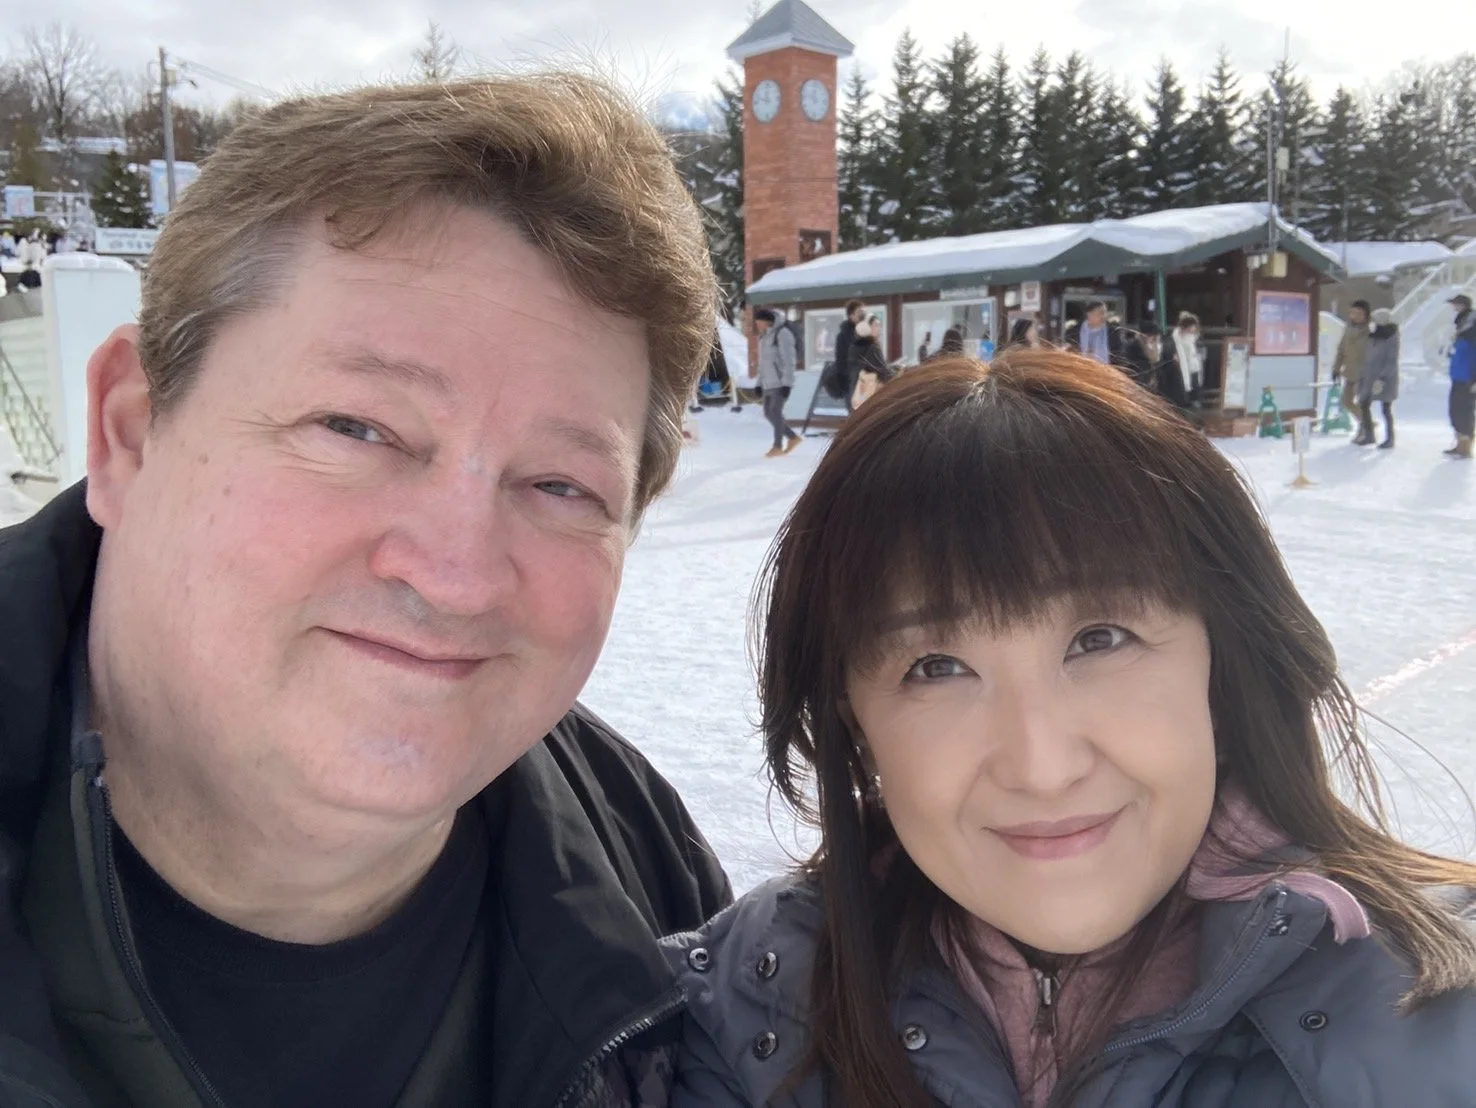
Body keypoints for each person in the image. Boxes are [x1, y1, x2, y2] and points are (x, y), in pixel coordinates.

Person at [0, 74, 733, 1108]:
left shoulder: (650, 889)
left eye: (561, 485)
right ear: (131, 429)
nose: (455, 572)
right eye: (358, 429)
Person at [664, 351, 1476, 1108]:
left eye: (1100, 640)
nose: (1042, 765)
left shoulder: (1445, 1023)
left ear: (1221, 661)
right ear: (852, 719)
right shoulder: (739, 1017)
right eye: (937, 666)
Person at [755, 308, 801, 457]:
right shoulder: (764, 338)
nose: (757, 325)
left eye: (759, 322)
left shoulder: (783, 334)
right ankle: (793, 437)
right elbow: (762, 364)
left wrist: (787, 383)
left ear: (766, 320)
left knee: (775, 412)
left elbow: (789, 360)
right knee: (768, 414)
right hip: (768, 382)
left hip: (780, 382)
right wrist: (758, 383)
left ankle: (777, 446)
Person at [1356, 308, 1400, 449]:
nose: (1373, 322)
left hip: (1384, 378)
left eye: (1375, 319)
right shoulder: (1373, 335)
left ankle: (1390, 438)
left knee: (1386, 408)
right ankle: (1369, 435)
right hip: (1369, 375)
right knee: (1364, 404)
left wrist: (1382, 378)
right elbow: (1367, 355)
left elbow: (1391, 360)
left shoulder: (1392, 336)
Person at [1446, 294, 1475, 459]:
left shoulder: (1472, 331)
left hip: (1468, 377)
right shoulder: (1461, 329)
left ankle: (1466, 446)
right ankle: (1459, 443)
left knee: (1465, 411)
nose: (1454, 309)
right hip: (1458, 375)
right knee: (1455, 411)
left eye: (1455, 305)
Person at [1333, 300, 1371, 423]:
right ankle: (1366, 423)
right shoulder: (1348, 329)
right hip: (1350, 371)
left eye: (1359, 313)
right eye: (1353, 313)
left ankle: (1365, 428)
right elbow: (1341, 350)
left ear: (1365, 315)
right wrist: (1336, 369)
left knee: (1362, 402)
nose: (1355, 316)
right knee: (1346, 401)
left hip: (1365, 373)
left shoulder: (1371, 330)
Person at [848, 316, 893, 409]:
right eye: (875, 325)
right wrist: (898, 371)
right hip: (870, 394)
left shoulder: (855, 346)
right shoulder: (872, 347)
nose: (879, 328)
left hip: (857, 391)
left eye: (879, 325)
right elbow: (884, 373)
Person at [1067, 300, 1125, 368]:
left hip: (1106, 373)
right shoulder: (1073, 332)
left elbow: (1119, 357)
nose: (1103, 316)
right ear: (1089, 314)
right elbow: (1069, 355)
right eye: (1100, 313)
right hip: (1081, 372)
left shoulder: (1113, 333)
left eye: (1105, 313)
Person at [830, 299, 866, 408]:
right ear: (851, 316)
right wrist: (843, 378)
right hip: (851, 380)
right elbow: (840, 358)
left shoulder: (865, 332)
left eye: (863, 312)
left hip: (865, 380)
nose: (862, 315)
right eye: (859, 312)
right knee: (855, 413)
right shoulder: (844, 335)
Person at [1170, 312, 1203, 404]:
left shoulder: (1192, 338)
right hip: (1184, 368)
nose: (1194, 329)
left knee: (1195, 389)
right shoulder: (1177, 338)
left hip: (1193, 367)